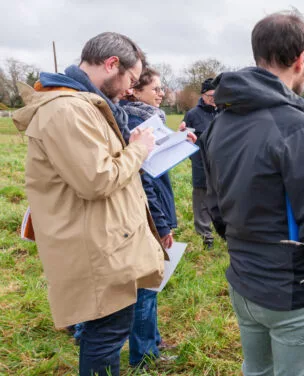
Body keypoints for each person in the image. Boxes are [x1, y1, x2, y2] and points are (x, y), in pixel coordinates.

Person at [201, 12, 304, 376]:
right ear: (301, 59)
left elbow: (215, 206)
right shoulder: (298, 126)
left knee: (256, 371)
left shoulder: (220, 121)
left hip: (244, 281)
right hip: (295, 293)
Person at [12, 32, 165, 376]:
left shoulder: (83, 104)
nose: (129, 88)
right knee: (104, 337)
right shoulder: (68, 109)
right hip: (94, 247)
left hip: (104, 240)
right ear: (112, 64)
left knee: (109, 332)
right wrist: (138, 150)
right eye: (129, 77)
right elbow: (97, 179)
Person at [122, 67, 196, 368]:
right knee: (147, 287)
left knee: (147, 285)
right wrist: (161, 223)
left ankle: (151, 341)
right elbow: (145, 179)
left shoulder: (145, 120)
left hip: (149, 212)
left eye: (162, 88)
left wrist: (176, 140)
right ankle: (145, 354)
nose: (161, 93)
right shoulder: (138, 123)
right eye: (155, 89)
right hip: (148, 216)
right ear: (135, 90)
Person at [179, 78, 217, 249]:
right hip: (201, 163)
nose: (214, 99)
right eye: (210, 95)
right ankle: (205, 235)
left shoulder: (225, 112)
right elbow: (184, 139)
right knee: (201, 198)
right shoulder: (193, 115)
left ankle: (225, 231)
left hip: (221, 165)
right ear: (203, 95)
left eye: (217, 95)